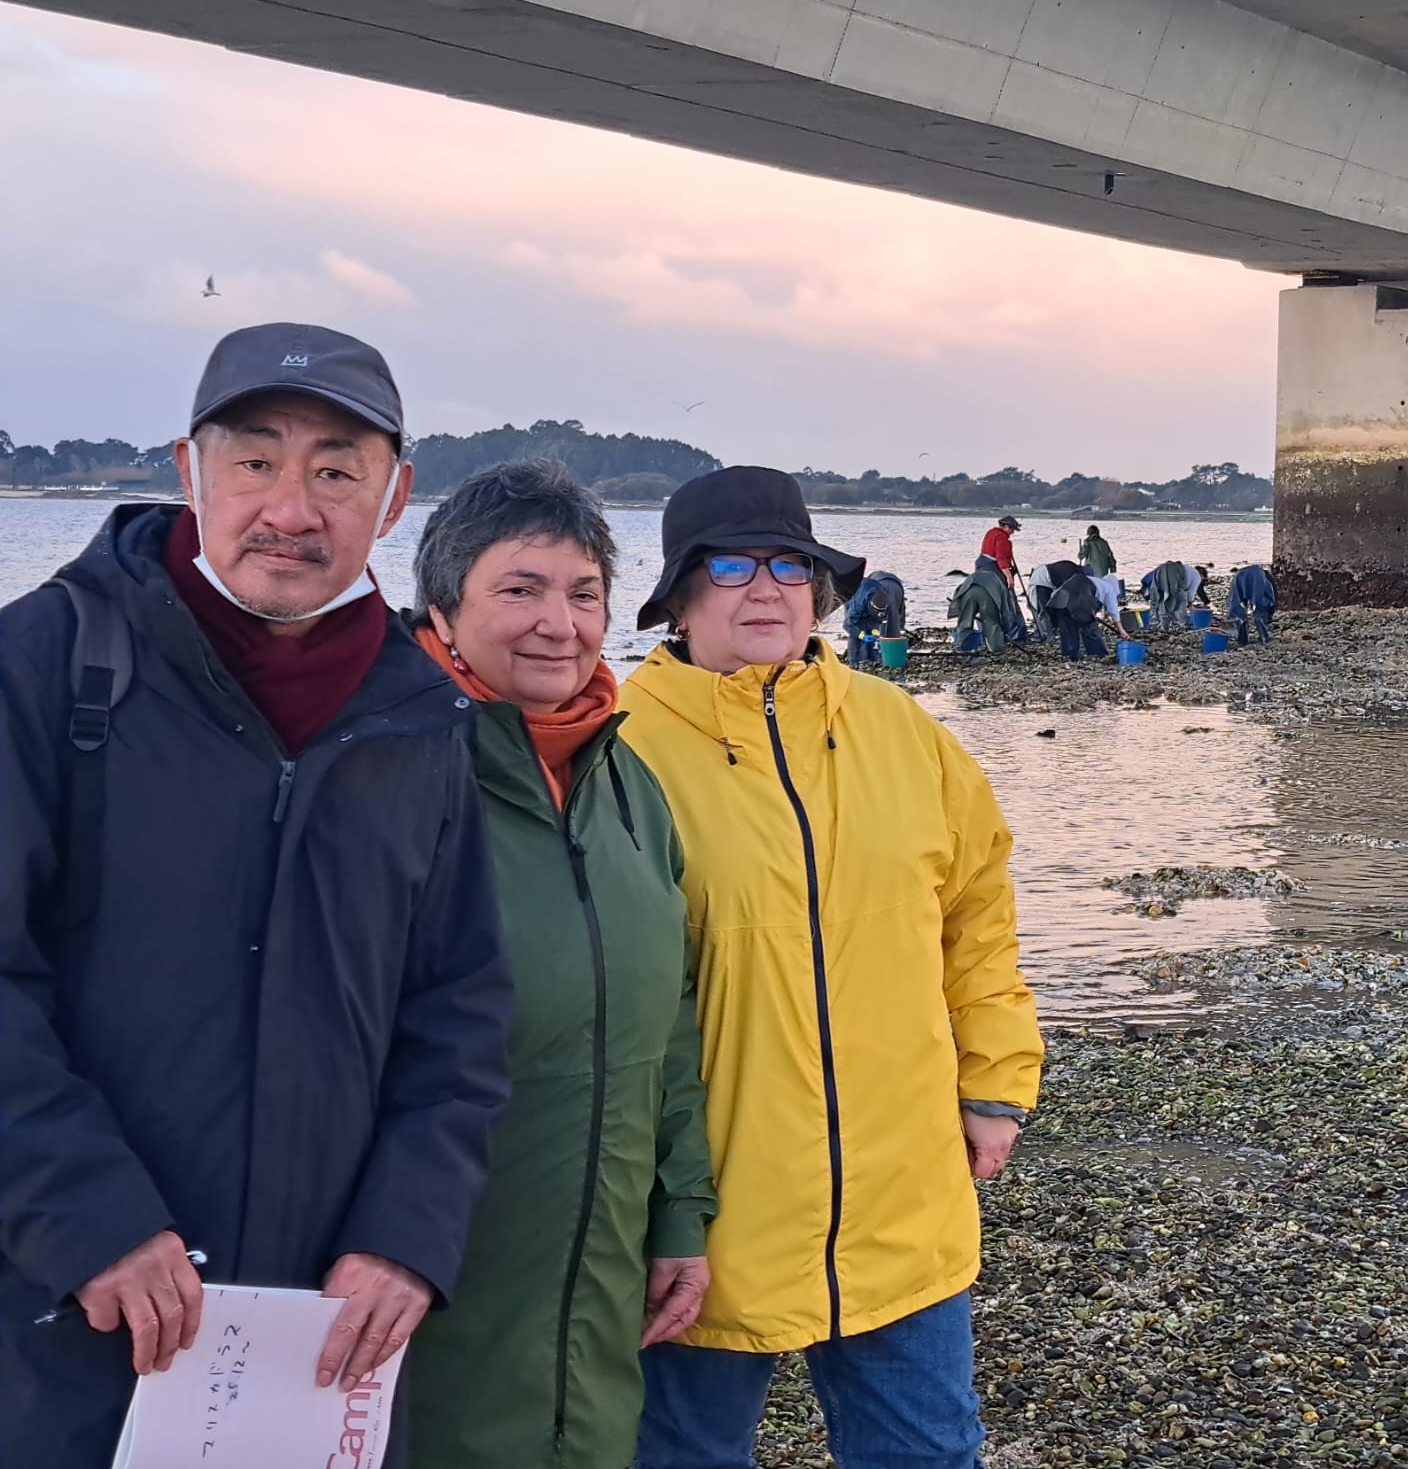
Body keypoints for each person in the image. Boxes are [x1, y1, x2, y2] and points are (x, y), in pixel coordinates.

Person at [0, 324, 513, 1464]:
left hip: (317, 1335)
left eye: (337, 469)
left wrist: (406, 1236)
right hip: (63, 1319)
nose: (292, 506)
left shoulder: (420, 714)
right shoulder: (40, 664)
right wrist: (86, 1220)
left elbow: (460, 1015)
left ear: (394, 497)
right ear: (189, 469)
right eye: (254, 460)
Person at [619, 466, 1044, 1469]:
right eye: (730, 566)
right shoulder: (619, 747)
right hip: (703, 1222)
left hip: (902, 1202)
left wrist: (993, 1082)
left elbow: (977, 915)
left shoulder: (901, 733)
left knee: (929, 1455)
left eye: (790, 565)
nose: (764, 588)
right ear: (680, 593)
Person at [404, 460, 716, 1469]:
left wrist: (679, 1213)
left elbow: (664, 1018)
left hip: (597, 1297)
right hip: (428, 1289)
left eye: (584, 594)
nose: (560, 623)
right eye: (520, 590)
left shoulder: (628, 783)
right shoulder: (385, 776)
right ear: (443, 610)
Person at [842, 571, 906, 668]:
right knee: (857, 630)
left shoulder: (886, 600)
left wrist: (876, 632)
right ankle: (854, 662)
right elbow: (847, 625)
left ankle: (875, 658)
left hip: (885, 585)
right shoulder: (857, 605)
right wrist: (861, 635)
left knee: (876, 630)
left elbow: (883, 621)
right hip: (853, 593)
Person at [1047, 567, 1110, 659]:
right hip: (1074, 605)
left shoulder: (1074, 580)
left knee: (1068, 629)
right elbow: (1088, 610)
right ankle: (1097, 653)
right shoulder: (1089, 584)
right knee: (1089, 627)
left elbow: (1055, 594)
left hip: (1059, 604)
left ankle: (1069, 655)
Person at [950, 564, 1012, 656]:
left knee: (965, 621)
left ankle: (961, 648)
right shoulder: (1001, 585)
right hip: (987, 595)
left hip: (967, 591)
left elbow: (958, 591)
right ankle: (996, 650)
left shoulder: (983, 576)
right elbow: (1005, 612)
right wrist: (1006, 630)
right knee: (991, 622)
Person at [1228, 563, 1278, 645]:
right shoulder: (1264, 576)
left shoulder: (1265, 574)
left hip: (1239, 575)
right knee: (1260, 607)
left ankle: (1241, 639)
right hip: (1257, 577)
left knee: (1237, 606)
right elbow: (1270, 599)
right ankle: (1264, 638)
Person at [1144, 558, 1190, 629]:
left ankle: (1163, 624)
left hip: (1160, 590)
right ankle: (1164, 623)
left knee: (1163, 607)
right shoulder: (1175, 571)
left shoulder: (1159, 571)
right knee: (1169, 607)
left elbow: (1154, 593)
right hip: (1159, 589)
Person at [979, 514, 1022, 580]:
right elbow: (1001, 558)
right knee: (1006, 585)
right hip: (991, 566)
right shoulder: (1002, 538)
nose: (1013, 533)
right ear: (1006, 527)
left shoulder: (990, 532)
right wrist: (1009, 577)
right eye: (1012, 530)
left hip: (980, 563)